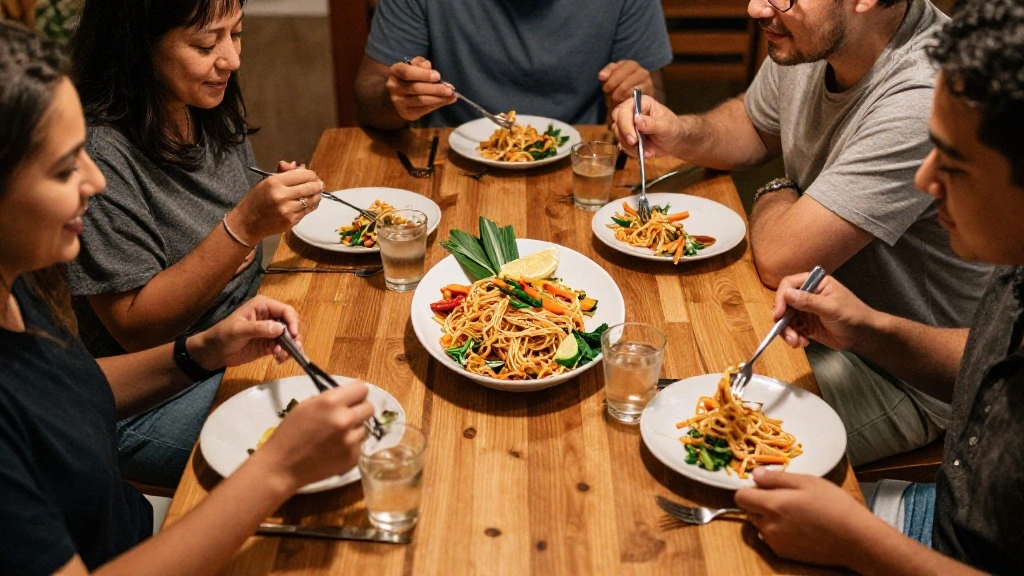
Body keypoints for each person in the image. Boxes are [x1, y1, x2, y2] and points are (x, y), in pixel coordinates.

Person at [0, 22, 375, 575]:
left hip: (139, 529)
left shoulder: (19, 285)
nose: (95, 180)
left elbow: (67, 394)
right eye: (64, 167)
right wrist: (277, 468)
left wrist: (204, 348)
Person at [612, 0, 994, 466]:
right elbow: (754, 123)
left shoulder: (924, 92)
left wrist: (775, 187)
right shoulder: (808, 40)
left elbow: (780, 257)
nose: (757, 8)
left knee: (670, 437)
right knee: (643, 375)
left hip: (902, 374)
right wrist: (679, 131)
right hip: (812, 319)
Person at [733, 1, 1024, 572]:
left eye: (955, 163)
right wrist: (870, 328)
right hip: (939, 512)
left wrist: (859, 541)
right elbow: (984, 361)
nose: (924, 179)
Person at [63, 0, 326, 487]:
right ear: (138, 47)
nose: (231, 59)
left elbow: (228, 227)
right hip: (151, 398)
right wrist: (244, 225)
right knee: (321, 443)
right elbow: (136, 330)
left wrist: (271, 208)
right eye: (206, 44)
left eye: (237, 34)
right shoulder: (100, 154)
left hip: (240, 334)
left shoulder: (204, 98)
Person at [353, 0, 673, 130]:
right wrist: (395, 99)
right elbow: (368, 97)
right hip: (448, 167)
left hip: (580, 161)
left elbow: (652, 92)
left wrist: (635, 99)